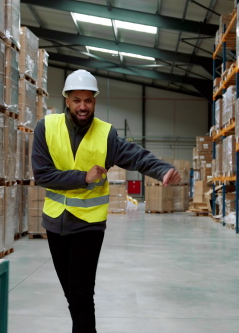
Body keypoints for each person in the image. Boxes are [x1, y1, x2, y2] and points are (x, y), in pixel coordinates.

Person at [32, 69, 181, 333]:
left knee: (80, 293)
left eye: (88, 100)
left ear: (95, 102)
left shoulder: (106, 135)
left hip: (88, 226)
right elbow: (42, 175)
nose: (82, 106)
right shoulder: (46, 128)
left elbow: (137, 156)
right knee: (71, 292)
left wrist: (162, 170)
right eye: (77, 100)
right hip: (55, 223)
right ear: (67, 100)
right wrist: (83, 177)